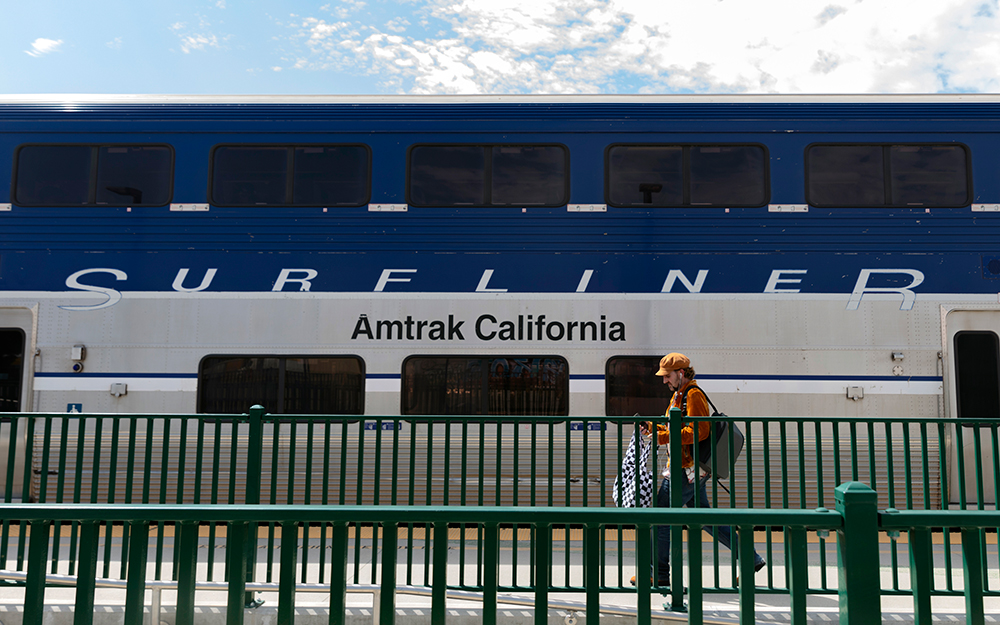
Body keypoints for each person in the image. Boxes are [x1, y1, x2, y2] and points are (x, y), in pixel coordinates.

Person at [635, 352, 764, 587]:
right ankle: (750, 557)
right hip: (688, 468)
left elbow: (700, 432)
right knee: (705, 517)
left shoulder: (693, 395)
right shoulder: (679, 396)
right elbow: (671, 425)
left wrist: (661, 437)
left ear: (680, 373)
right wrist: (652, 428)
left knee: (661, 516)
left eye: (667, 376)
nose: (664, 381)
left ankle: (659, 573)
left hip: (686, 469)